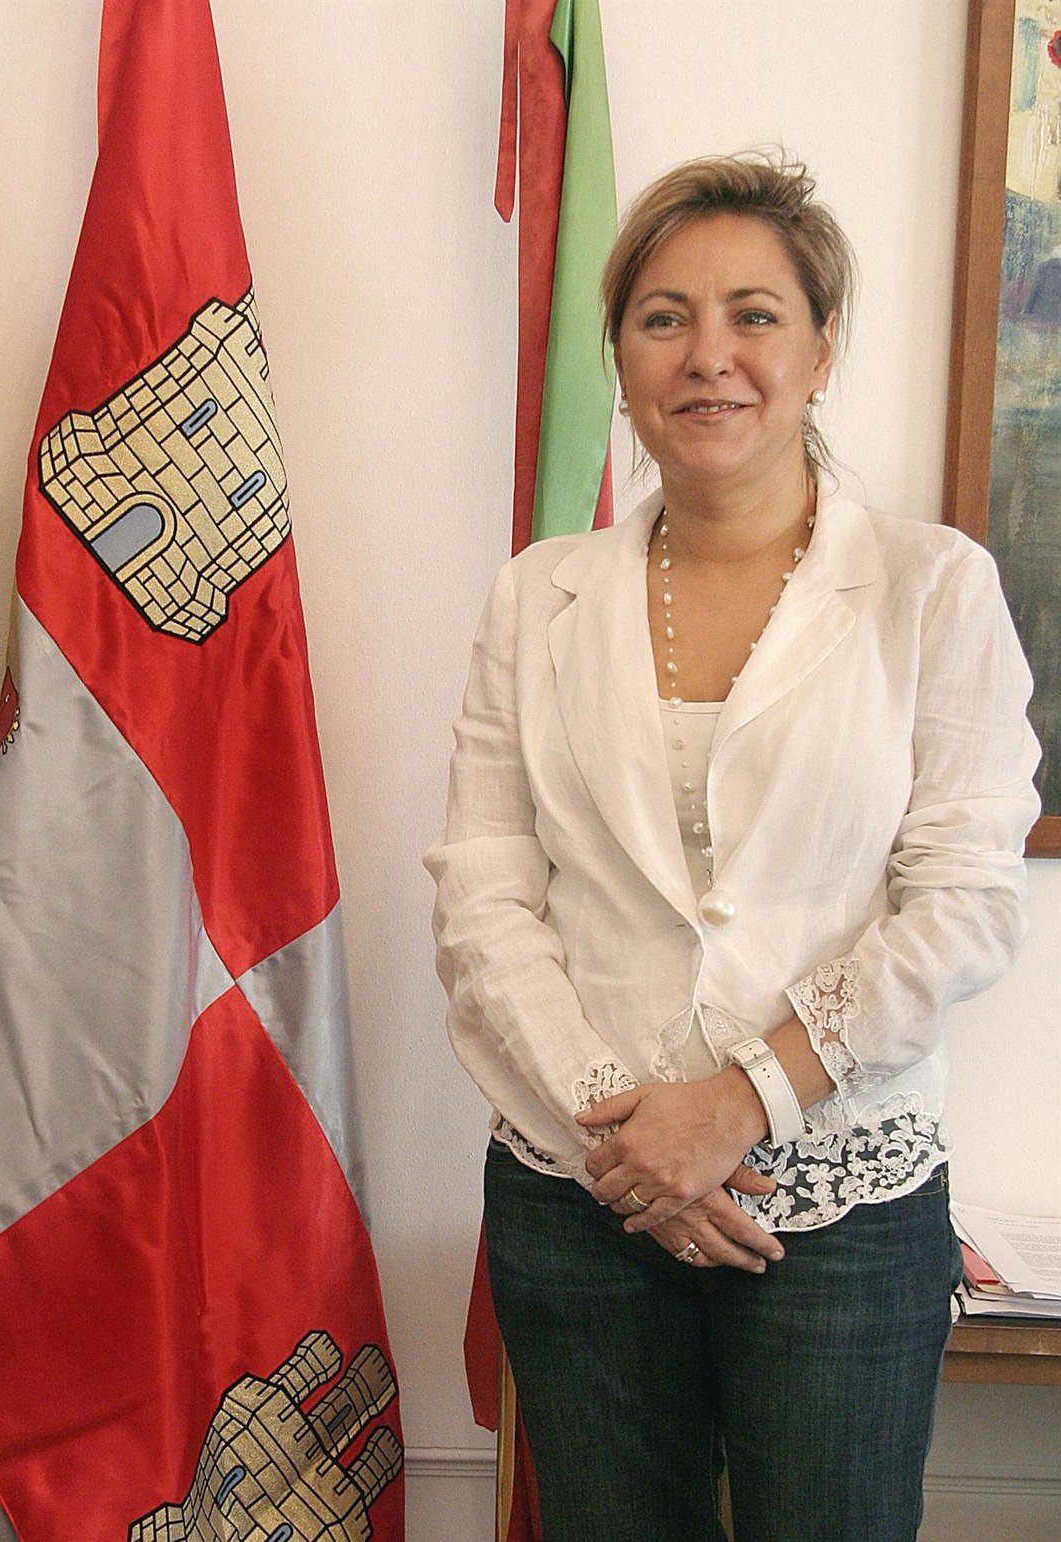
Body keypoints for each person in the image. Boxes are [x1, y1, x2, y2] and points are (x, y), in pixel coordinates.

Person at [424, 153, 1041, 1542]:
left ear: (821, 348)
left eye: (754, 314)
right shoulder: (537, 597)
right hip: (582, 1197)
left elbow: (962, 902)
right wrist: (630, 1130)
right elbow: (483, 894)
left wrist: (743, 1101)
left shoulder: (935, 589)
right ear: (622, 357)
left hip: (842, 1204)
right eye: (665, 317)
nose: (709, 355)